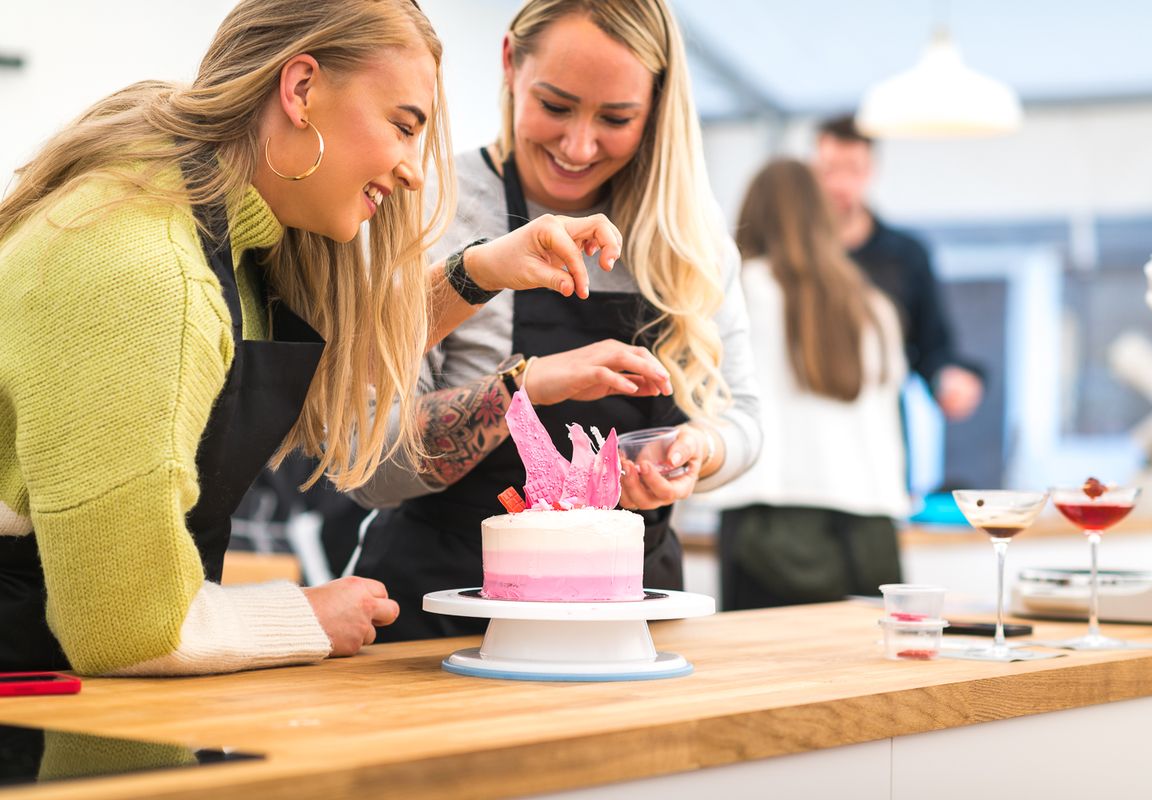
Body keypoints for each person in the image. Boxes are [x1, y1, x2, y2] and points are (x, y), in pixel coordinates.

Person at [0, 0, 626, 676]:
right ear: (300, 90)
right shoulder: (145, 269)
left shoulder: (219, 233)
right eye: (402, 125)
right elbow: (131, 631)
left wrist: (479, 271)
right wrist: (306, 615)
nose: (415, 169)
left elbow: (344, 367)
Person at [350, 0, 762, 641]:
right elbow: (366, 468)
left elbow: (744, 422)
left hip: (633, 628)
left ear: (656, 106)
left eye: (617, 118)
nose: (578, 145)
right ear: (511, 62)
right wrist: (524, 386)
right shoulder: (427, 207)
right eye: (556, 106)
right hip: (439, 620)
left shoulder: (689, 239)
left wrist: (696, 451)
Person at [711, 159, 909, 610]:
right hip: (872, 524)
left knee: (768, 677)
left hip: (766, 516)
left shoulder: (738, 293)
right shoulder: (876, 306)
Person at [813, 114, 984, 422]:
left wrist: (948, 380)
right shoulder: (794, 257)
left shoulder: (906, 255)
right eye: (830, 170)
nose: (840, 184)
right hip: (807, 420)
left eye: (853, 169)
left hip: (883, 424)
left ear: (871, 171)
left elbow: (932, 346)